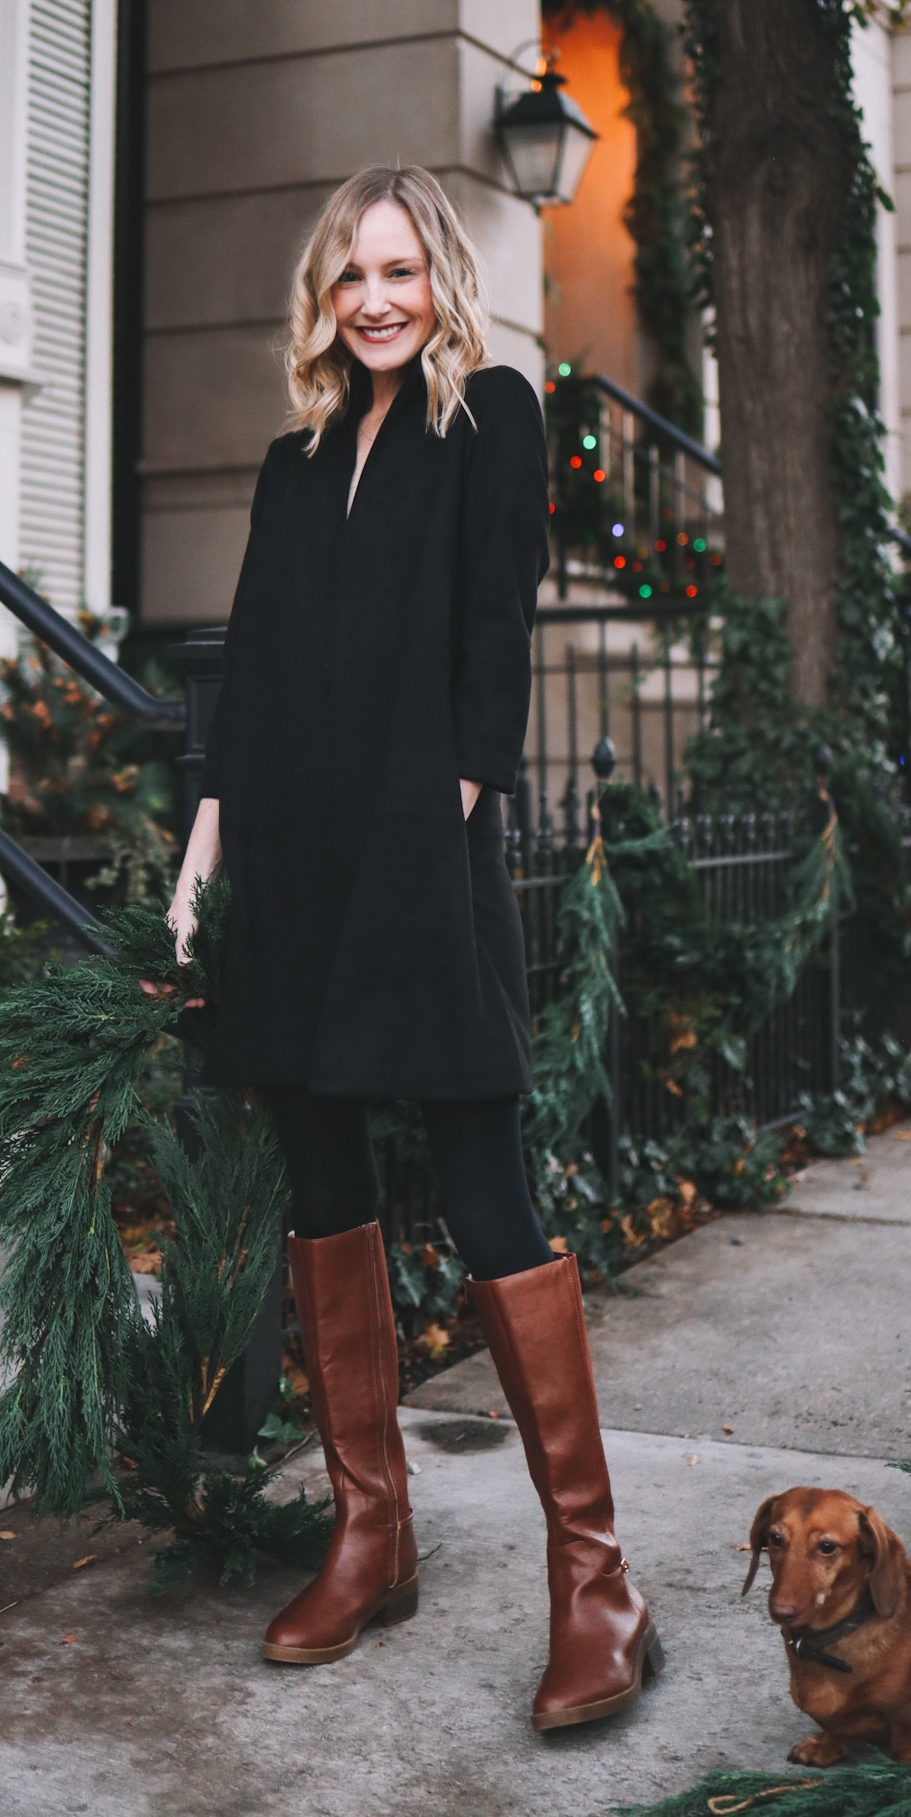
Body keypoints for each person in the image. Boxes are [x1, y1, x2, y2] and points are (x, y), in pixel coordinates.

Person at [165, 165, 661, 1732]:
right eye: (346, 277)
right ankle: (367, 1531)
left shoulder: (491, 416)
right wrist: (203, 859)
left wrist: (439, 815)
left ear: (441, 278)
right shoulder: (295, 460)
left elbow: (488, 641)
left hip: (416, 864)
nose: (372, 300)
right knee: (324, 1192)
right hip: (295, 871)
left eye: (398, 271)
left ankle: (595, 1581)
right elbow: (246, 680)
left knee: (483, 1189)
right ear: (324, 298)